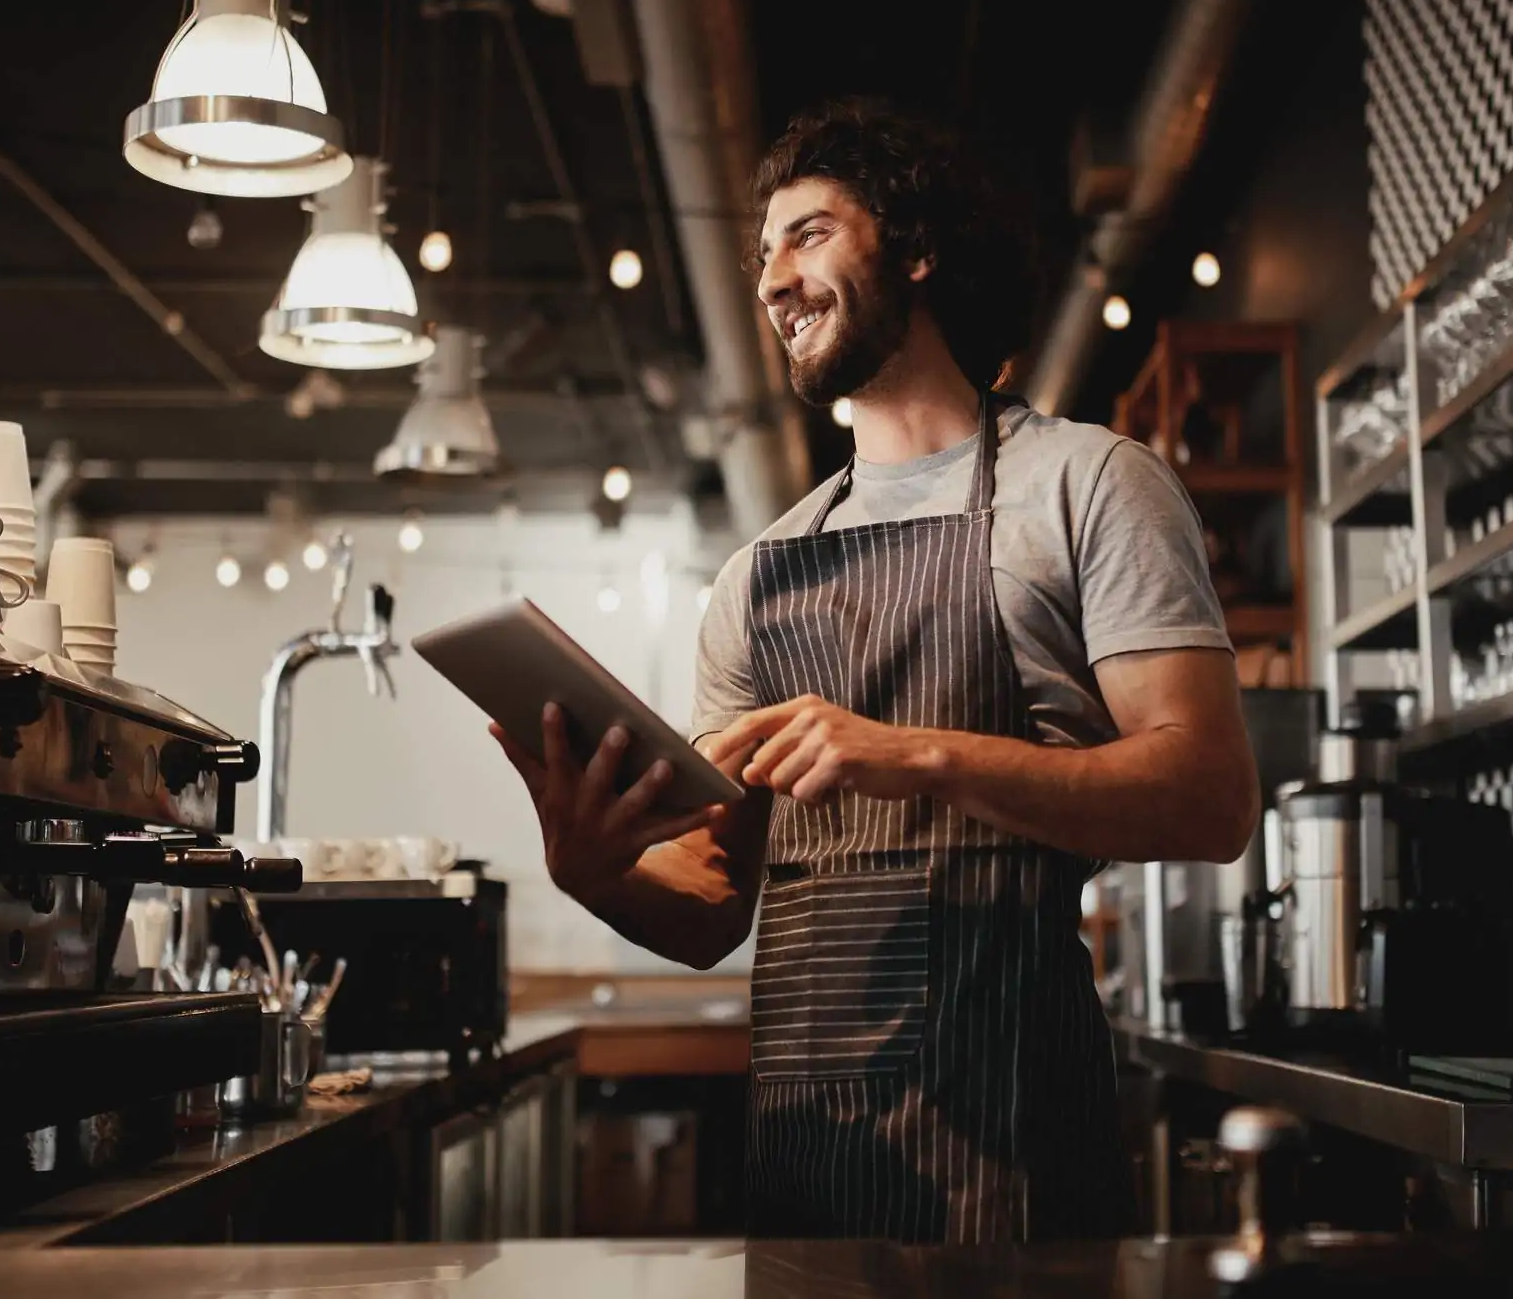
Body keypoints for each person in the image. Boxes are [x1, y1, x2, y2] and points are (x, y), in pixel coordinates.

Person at [491, 97, 1258, 1242]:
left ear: (916, 243)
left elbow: (1210, 796)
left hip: (1020, 1152)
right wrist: (596, 871)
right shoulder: (753, 578)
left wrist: (920, 754)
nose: (770, 282)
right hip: (812, 1169)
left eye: (808, 234)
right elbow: (712, 902)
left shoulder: (1088, 483)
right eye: (762, 255)